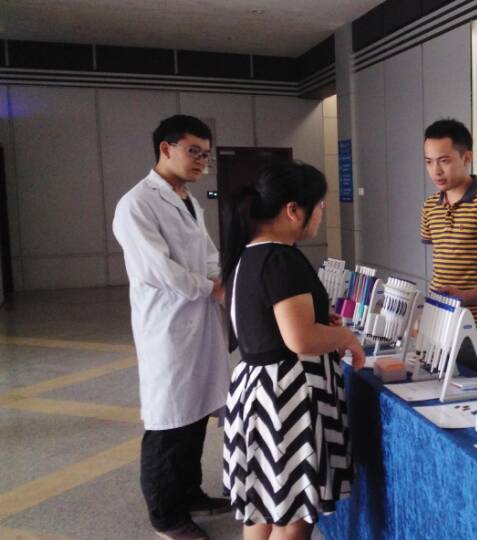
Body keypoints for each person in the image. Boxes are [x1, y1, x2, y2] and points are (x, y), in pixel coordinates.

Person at [221, 161, 365, 540]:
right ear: (293, 210)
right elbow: (299, 339)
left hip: (258, 391)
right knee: (292, 515)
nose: (320, 214)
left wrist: (321, 322)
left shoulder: (249, 255)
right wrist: (346, 337)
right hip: (288, 399)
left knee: (262, 507)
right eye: (319, 207)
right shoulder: (282, 258)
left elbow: (268, 323)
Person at [113, 115, 230, 540]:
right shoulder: (137, 204)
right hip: (167, 327)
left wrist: (221, 279)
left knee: (194, 415)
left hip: (198, 323)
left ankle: (189, 494)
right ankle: (166, 516)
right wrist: (211, 288)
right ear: (166, 148)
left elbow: (208, 253)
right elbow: (157, 270)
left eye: (206, 154)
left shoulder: (189, 200)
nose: (201, 161)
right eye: (193, 151)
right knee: (168, 422)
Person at [420, 119, 477, 376]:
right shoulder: (429, 206)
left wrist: (465, 296)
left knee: (469, 394)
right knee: (432, 387)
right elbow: (442, 261)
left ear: (467, 157)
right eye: (429, 162)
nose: (436, 171)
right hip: (439, 318)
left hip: (475, 324)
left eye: (444, 161)